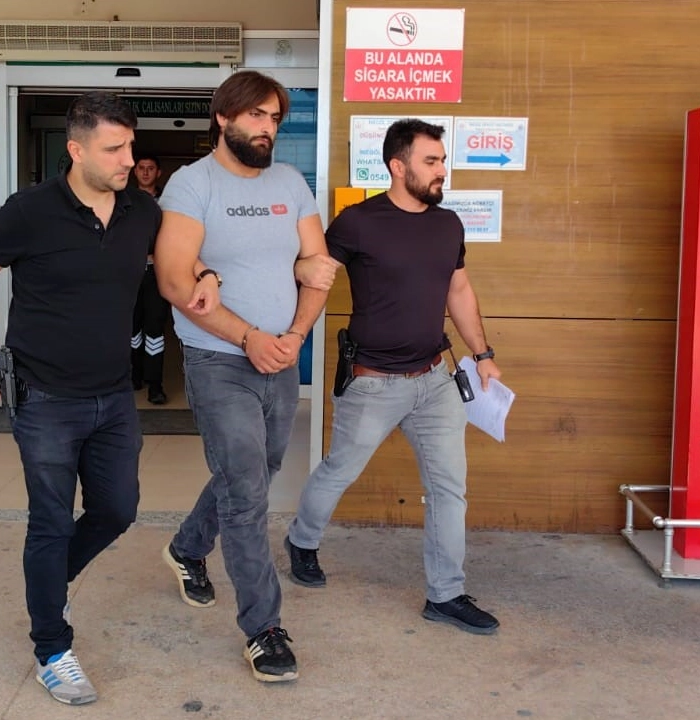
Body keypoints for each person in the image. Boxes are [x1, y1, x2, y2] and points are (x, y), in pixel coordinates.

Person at [0, 92, 166, 706]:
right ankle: (52, 648)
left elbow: (176, 262)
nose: (128, 159)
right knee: (50, 522)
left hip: (113, 395)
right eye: (114, 148)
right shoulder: (30, 210)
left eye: (130, 146)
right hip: (44, 397)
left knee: (118, 510)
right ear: (76, 150)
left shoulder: (142, 211)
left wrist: (206, 276)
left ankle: (50, 585)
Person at [285, 118, 503, 636]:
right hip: (373, 381)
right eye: (431, 161)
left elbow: (458, 290)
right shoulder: (358, 222)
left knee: (449, 488)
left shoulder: (448, 224)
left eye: (442, 160)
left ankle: (445, 594)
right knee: (339, 470)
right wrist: (294, 329)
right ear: (397, 166)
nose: (441, 170)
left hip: (435, 379)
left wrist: (482, 353)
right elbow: (316, 275)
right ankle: (302, 540)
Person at [154, 71, 332, 683]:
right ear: (223, 117)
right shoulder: (192, 184)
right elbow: (174, 279)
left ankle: (186, 548)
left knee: (257, 471)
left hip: (281, 356)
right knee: (247, 492)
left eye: (275, 118)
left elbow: (317, 266)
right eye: (256, 115)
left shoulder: (290, 183)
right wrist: (248, 337)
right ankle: (264, 629)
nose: (267, 128)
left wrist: (294, 336)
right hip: (219, 360)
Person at [130, 152, 171, 404]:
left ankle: (155, 385)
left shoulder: (170, 201)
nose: (145, 172)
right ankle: (134, 376)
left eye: (151, 168)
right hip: (130, 273)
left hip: (158, 273)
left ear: (158, 172)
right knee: (131, 328)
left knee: (155, 329)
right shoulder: (123, 198)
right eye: (141, 167)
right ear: (135, 171)